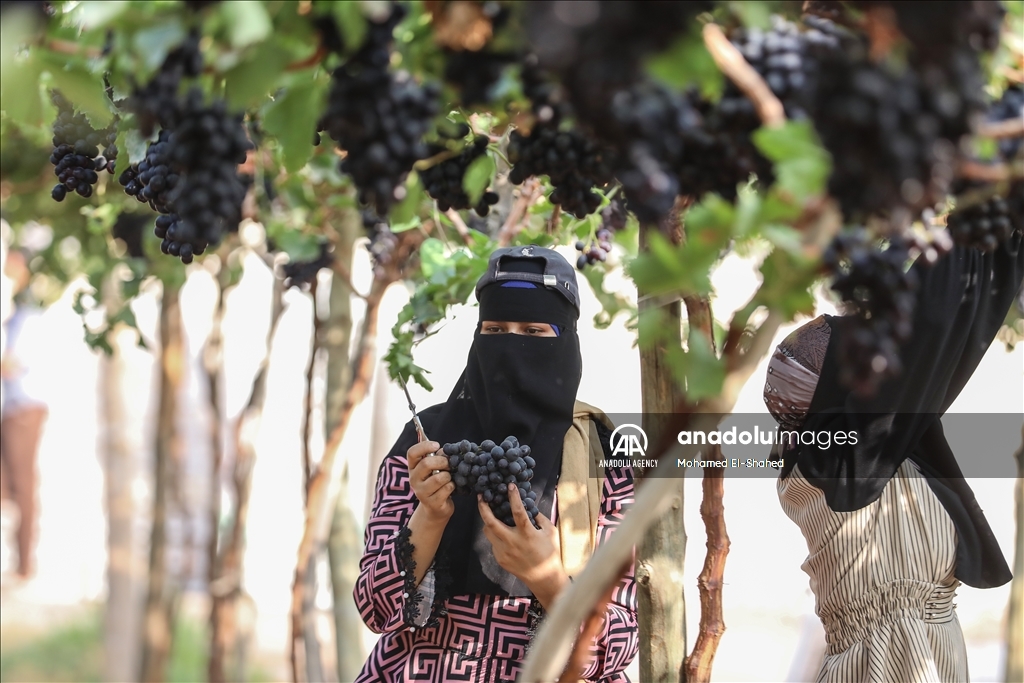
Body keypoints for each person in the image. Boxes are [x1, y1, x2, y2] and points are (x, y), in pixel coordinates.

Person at [354, 245, 638, 682]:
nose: (510, 345)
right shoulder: (426, 444)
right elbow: (375, 608)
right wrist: (430, 517)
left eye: (533, 331)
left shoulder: (605, 455)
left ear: (566, 339)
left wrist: (548, 579)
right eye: (495, 328)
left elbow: (621, 643)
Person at [762, 230, 1023, 682]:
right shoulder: (842, 455)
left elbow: (941, 346)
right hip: (893, 655)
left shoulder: (865, 451)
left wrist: (998, 230)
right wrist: (966, 228)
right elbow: (928, 328)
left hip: (917, 646)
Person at [0, 247, 49, 581]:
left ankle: (24, 566)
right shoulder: (15, 313)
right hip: (13, 407)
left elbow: (12, 364)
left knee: (22, 482)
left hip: (25, 407)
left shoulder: (29, 316)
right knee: (9, 483)